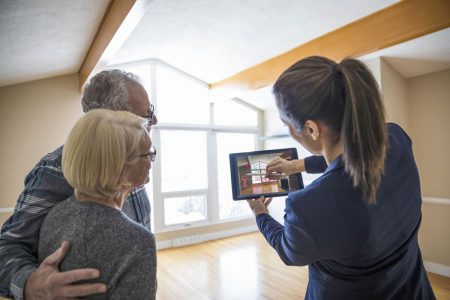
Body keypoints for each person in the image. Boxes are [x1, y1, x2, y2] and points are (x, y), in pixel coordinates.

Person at [248, 56, 435, 299]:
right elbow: (355, 157)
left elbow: (288, 251)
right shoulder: (395, 138)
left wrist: (260, 214)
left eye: (288, 125)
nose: (289, 131)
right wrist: (295, 165)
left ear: (312, 129)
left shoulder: (307, 205)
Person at [0, 69, 157, 299]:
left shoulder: (134, 161)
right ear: (111, 118)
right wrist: (30, 284)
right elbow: (6, 248)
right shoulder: (54, 170)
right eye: (145, 116)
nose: (154, 120)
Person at [39, 109, 157, 299]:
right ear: (120, 168)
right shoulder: (137, 242)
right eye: (147, 153)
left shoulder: (53, 216)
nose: (151, 162)